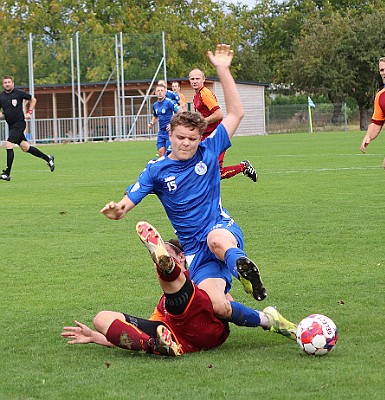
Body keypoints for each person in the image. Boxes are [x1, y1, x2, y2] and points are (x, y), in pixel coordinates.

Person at [101, 44, 274, 332]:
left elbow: (236, 113)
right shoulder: (156, 171)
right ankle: (269, 319)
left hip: (221, 230)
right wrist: (117, 210)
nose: (186, 143)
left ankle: (241, 264)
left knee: (217, 240)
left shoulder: (209, 148)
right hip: (193, 252)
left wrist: (222, 70)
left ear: (198, 138)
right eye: (180, 137)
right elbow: (125, 206)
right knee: (217, 306)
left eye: (192, 139)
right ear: (170, 134)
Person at [62, 222, 297, 356]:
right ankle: (157, 347)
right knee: (101, 318)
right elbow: (134, 333)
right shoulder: (164, 302)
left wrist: (264, 319)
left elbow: (226, 306)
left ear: (182, 257)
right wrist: (96, 337)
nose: (163, 254)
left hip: (205, 329)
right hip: (176, 337)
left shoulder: (206, 278)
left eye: (167, 254)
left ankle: (166, 269)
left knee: (178, 288)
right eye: (161, 254)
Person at [188, 67, 257, 182]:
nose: (194, 81)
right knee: (196, 165)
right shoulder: (196, 96)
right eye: (192, 79)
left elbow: (219, 114)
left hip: (217, 136)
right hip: (206, 136)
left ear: (203, 79)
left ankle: (243, 167)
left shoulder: (205, 94)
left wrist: (202, 122)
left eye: (197, 78)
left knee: (216, 173)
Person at [0, 75, 55, 181]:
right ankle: (48, 158)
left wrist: (29, 112)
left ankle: (7, 173)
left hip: (19, 124)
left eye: (9, 82)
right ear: (3, 84)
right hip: (11, 126)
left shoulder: (19, 93)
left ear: (13, 83)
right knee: (25, 148)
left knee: (8, 145)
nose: (7, 84)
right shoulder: (1, 96)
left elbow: (33, 100)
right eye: (5, 82)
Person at [360, 52, 385, 187]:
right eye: (381, 70)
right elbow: (377, 121)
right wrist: (368, 137)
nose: (384, 73)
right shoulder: (382, 95)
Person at [148, 84, 181, 157]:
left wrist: (172, 124)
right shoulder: (155, 105)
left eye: (162, 91)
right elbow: (155, 116)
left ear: (165, 92)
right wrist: (151, 123)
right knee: (161, 153)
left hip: (170, 132)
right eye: (158, 91)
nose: (160, 92)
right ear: (155, 93)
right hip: (161, 132)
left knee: (169, 153)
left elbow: (181, 112)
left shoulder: (170, 102)